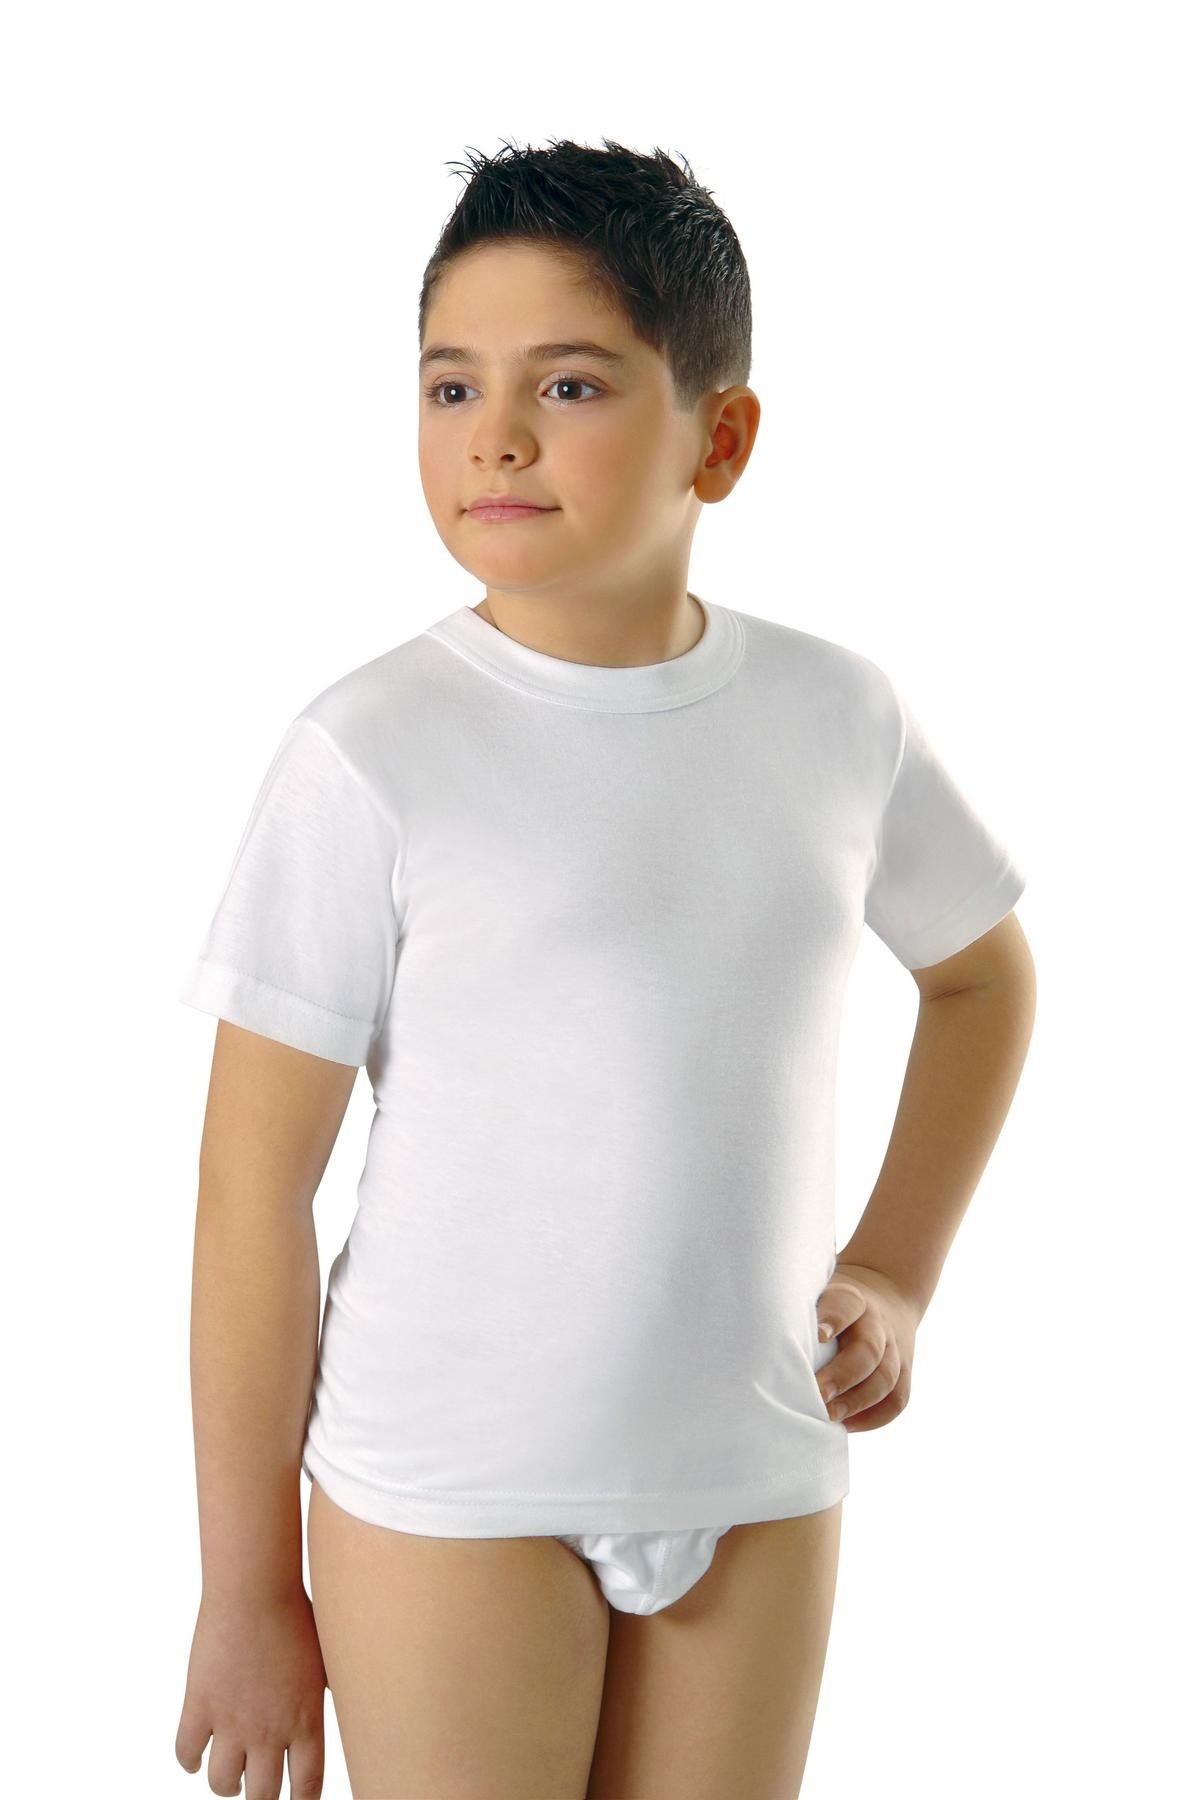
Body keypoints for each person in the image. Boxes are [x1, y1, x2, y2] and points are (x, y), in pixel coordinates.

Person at [174, 136, 1035, 1800]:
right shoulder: (371, 751)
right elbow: (248, 1194)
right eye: (450, 386)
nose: (493, 434)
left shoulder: (836, 716)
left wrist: (898, 1270)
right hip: (450, 1489)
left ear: (722, 438)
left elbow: (985, 980)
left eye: (566, 384)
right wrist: (247, 1589)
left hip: (755, 1467)